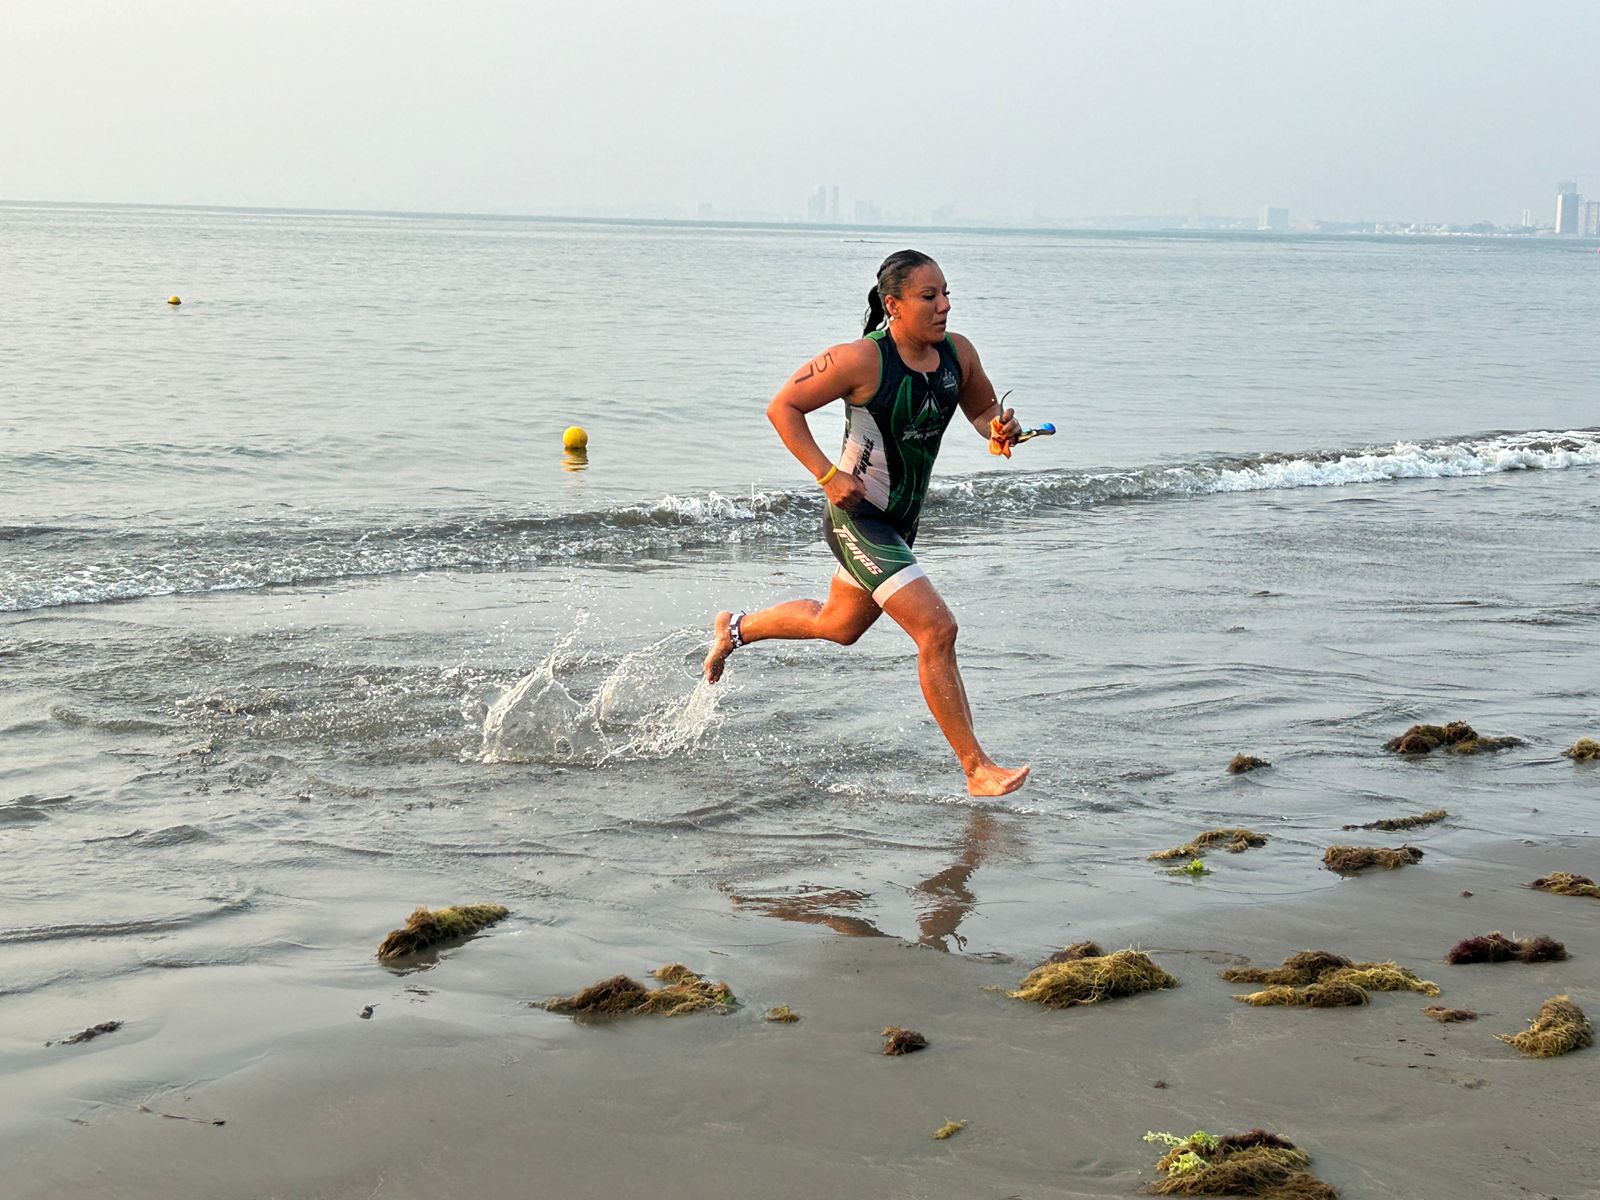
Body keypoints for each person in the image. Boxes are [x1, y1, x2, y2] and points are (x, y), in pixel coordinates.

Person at [703, 250, 1030, 797]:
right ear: (892, 305)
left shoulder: (959, 355)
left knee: (840, 626)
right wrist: (827, 474)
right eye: (930, 297)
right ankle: (976, 768)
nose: (944, 305)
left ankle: (735, 629)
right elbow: (783, 407)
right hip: (858, 518)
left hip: (902, 523)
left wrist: (1000, 429)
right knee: (937, 629)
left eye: (947, 293)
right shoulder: (859, 360)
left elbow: (981, 413)